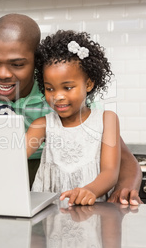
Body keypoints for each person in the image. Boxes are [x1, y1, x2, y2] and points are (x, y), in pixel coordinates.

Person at [0, 13, 142, 205]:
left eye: (17, 64)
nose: (2, 73)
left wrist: (125, 184)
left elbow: (122, 156)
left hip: (45, 172)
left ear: (37, 63)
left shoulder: (62, 96)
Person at [26, 30, 120, 206]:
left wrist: (90, 190)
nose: (58, 96)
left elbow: (110, 172)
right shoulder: (42, 125)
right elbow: (15, 155)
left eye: (67, 88)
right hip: (49, 216)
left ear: (89, 84)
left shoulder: (107, 120)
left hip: (90, 212)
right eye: (50, 88)